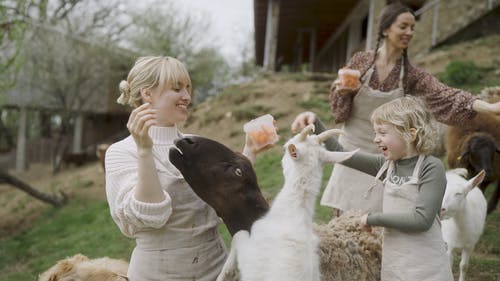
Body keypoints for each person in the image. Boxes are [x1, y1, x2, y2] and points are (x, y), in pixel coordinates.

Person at [291, 2, 500, 216]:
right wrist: (341, 93)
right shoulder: (361, 61)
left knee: (374, 223)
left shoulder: (411, 74)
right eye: (403, 26)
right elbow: (339, 112)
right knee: (343, 217)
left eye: (412, 28)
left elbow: (446, 95)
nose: (409, 32)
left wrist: (490, 107)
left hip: (385, 157)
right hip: (350, 149)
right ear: (385, 29)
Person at [104, 56, 263, 281]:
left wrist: (251, 150)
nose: (187, 97)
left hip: (218, 270)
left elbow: (229, 198)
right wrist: (145, 151)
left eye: (188, 88)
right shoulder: (121, 153)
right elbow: (152, 216)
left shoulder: (196, 144)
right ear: (147, 94)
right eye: (177, 88)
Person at [317, 96, 453, 280]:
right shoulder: (386, 165)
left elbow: (422, 220)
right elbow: (343, 155)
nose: (376, 139)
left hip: (425, 264)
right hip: (394, 262)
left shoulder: (430, 167)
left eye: (382, 133)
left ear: (410, 135)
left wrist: (372, 218)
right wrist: (314, 122)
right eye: (375, 133)